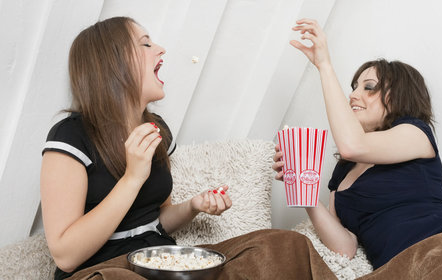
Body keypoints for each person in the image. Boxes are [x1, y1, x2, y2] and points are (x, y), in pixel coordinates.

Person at [40, 17, 336, 280]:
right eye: (145, 44)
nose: (160, 49)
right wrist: (132, 178)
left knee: (284, 245)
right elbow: (66, 255)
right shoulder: (71, 135)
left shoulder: (157, 129)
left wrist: (192, 207)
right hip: (103, 272)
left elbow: (155, 221)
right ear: (112, 64)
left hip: (160, 263)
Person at [272, 18, 442, 279]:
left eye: (369, 87)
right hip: (394, 269)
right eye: (354, 87)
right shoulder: (343, 172)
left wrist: (324, 66)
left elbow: (352, 144)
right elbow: (345, 247)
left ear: (398, 97)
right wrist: (304, 190)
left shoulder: (415, 133)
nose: (354, 95)